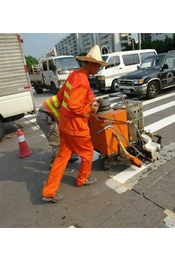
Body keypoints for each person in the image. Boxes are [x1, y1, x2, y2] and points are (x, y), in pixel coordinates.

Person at [42, 45, 109, 203]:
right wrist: (89, 108)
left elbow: (60, 97)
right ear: (91, 64)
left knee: (62, 157)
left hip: (64, 125)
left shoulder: (74, 75)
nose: (99, 69)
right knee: (87, 153)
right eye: (98, 66)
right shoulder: (82, 81)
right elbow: (74, 105)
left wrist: (87, 100)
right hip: (76, 127)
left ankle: (49, 191)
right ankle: (82, 179)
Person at [36, 96, 78, 169]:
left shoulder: (65, 97)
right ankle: (54, 165)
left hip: (49, 116)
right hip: (46, 119)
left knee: (64, 139)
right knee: (57, 143)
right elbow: (65, 117)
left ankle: (65, 159)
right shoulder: (63, 101)